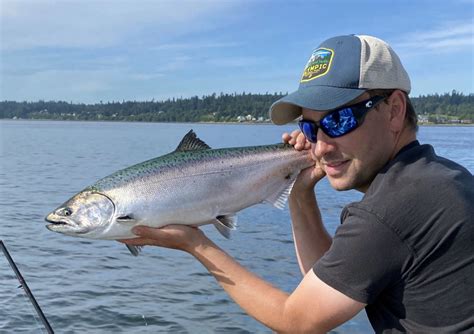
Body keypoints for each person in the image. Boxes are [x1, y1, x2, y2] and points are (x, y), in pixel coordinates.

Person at [121, 35, 474, 333]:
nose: (320, 145)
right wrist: (300, 191)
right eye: (310, 127)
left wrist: (197, 244)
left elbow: (299, 321)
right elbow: (324, 282)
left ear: (395, 110)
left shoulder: (394, 209)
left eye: (339, 120)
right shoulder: (439, 178)